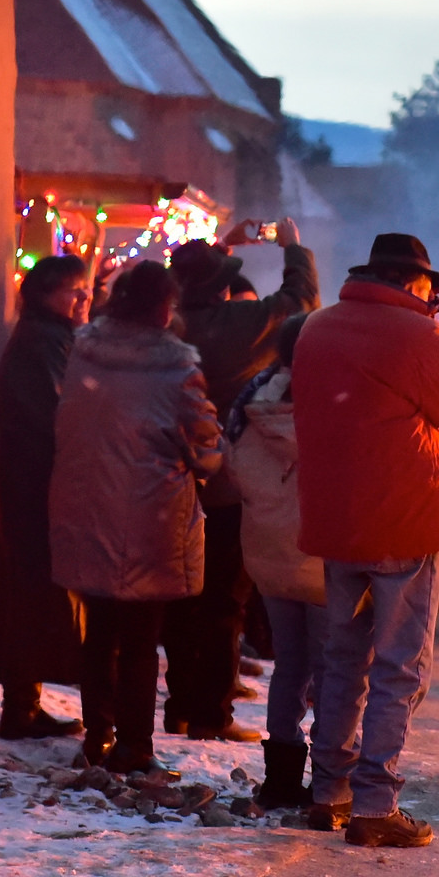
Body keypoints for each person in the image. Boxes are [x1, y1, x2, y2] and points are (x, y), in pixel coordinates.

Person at [293, 234, 439, 848]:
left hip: (336, 519)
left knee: (342, 659)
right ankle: (376, 803)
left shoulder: (317, 328)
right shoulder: (417, 336)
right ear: (414, 284)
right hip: (402, 520)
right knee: (400, 665)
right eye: (432, 290)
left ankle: (329, 792)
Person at [49, 262, 224, 773]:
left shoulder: (83, 351)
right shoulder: (176, 369)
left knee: (100, 629)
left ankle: (96, 733)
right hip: (151, 516)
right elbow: (208, 448)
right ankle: (135, 746)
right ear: (163, 308)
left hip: (86, 508)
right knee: (142, 638)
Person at [165, 219, 320, 744]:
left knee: (179, 598)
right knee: (224, 601)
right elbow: (299, 298)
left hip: (166, 482)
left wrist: (218, 246)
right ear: (222, 288)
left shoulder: (163, 326)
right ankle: (212, 711)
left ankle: (181, 705)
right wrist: (292, 246)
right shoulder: (243, 324)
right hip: (228, 483)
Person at [0, 255, 91, 740]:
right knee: (30, 592)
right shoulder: (42, 343)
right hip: (35, 488)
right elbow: (55, 417)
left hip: (30, 485)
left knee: (27, 593)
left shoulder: (48, 338)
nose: (84, 299)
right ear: (47, 294)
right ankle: (20, 707)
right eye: (75, 290)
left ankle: (23, 702)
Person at [229, 313, 324, 809]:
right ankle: (332, 780)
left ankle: (282, 778)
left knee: (290, 666)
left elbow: (234, 465)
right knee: (335, 672)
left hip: (268, 552)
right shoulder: (334, 399)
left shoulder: (251, 401)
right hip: (325, 554)